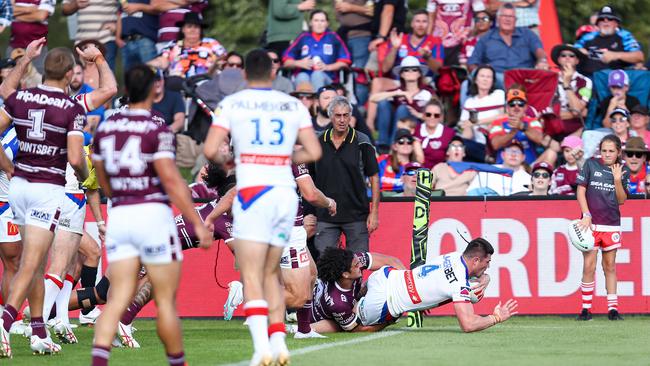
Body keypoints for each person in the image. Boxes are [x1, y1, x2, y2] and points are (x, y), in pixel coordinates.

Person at [203, 49, 322, 366]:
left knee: (254, 274)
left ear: (243, 74)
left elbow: (210, 149)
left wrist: (233, 161)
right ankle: (280, 340)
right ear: (273, 74)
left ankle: (261, 349)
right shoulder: (292, 104)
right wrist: (281, 158)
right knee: (272, 270)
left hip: (252, 193)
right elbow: (312, 149)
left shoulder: (231, 104)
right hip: (284, 196)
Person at [90, 64, 212, 365]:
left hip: (121, 215)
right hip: (152, 216)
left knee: (116, 299)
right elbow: (171, 181)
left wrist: (118, 194)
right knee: (166, 302)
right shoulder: (158, 127)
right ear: (155, 89)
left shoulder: (106, 127)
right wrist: (197, 223)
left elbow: (101, 175)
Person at [0, 47, 89, 358]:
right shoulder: (71, 107)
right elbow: (76, 158)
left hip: (19, 186)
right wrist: (86, 175)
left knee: (33, 262)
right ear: (68, 75)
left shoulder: (20, 98)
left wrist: (10, 168)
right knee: (32, 262)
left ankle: (39, 331)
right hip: (46, 188)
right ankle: (4, 324)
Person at [357, 237, 518, 332]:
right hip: (383, 303)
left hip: (383, 276)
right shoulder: (459, 283)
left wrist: (485, 277)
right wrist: (496, 318)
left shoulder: (454, 256)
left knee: (351, 297)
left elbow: (446, 279)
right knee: (351, 327)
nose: (488, 266)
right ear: (476, 260)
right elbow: (468, 324)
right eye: (487, 262)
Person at [311, 96, 379, 255]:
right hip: (325, 216)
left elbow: (374, 177)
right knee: (325, 267)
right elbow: (309, 179)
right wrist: (310, 212)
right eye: (337, 115)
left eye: (345, 115)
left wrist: (374, 212)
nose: (342, 120)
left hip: (356, 215)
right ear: (330, 116)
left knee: (358, 264)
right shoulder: (317, 141)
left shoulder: (362, 141)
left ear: (350, 116)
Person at [576, 134, 629, 321]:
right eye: (604, 150)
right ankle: (585, 309)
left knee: (610, 266)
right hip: (590, 224)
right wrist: (586, 214)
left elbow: (621, 200)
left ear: (618, 152)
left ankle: (613, 309)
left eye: (611, 151)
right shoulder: (590, 165)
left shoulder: (622, 170)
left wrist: (616, 180)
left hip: (612, 225)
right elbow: (581, 190)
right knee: (589, 266)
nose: (607, 154)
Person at [308, 248, 405, 333]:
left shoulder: (355, 260)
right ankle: (302, 328)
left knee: (376, 281)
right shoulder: (338, 303)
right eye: (356, 265)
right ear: (345, 274)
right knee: (341, 327)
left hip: (346, 299)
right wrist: (389, 320)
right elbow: (359, 329)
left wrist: (409, 281)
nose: (361, 265)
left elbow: (391, 261)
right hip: (319, 318)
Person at [468, 3, 547, 81]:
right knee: (467, 83)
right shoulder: (486, 38)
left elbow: (539, 50)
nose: (507, 19)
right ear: (498, 18)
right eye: (504, 16)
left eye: (511, 16)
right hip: (495, 79)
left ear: (515, 20)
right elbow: (472, 62)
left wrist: (542, 61)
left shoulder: (527, 34)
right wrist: (480, 74)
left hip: (523, 77)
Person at [370, 56, 435, 150]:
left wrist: (419, 115)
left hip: (416, 126)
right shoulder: (398, 91)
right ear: (401, 74)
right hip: (396, 124)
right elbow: (373, 99)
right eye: (406, 70)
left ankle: (394, 143)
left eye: (414, 69)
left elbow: (438, 115)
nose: (410, 72)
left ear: (419, 73)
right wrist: (398, 93)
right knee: (383, 103)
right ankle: (383, 144)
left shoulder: (428, 92)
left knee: (403, 109)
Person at [282, 10, 352, 90]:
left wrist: (327, 67)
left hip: (328, 79)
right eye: (316, 20)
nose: (319, 24)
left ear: (327, 23)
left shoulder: (333, 37)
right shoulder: (303, 37)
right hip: (305, 75)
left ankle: (318, 101)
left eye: (322, 21)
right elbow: (286, 62)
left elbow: (344, 62)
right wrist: (298, 63)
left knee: (317, 75)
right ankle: (303, 101)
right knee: (302, 76)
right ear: (311, 23)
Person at [149, 12, 227, 78]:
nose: (192, 30)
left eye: (196, 27)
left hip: (207, 82)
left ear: (200, 30)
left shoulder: (211, 43)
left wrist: (217, 64)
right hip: (178, 84)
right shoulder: (173, 45)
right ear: (183, 29)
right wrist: (149, 65)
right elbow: (163, 60)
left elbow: (224, 59)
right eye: (189, 27)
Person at [574, 5, 644, 76]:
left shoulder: (624, 36)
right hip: (589, 79)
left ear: (616, 23)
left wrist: (615, 55)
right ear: (597, 24)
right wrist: (580, 51)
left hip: (616, 81)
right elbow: (573, 50)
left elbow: (639, 56)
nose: (605, 20)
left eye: (610, 19)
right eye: (601, 19)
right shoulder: (588, 37)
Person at [488, 88, 551, 165]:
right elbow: (495, 144)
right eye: (512, 104)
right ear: (507, 108)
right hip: (503, 167)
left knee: (551, 153)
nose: (516, 107)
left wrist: (522, 126)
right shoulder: (498, 122)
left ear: (525, 107)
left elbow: (539, 139)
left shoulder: (533, 121)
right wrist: (513, 132)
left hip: (529, 167)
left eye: (520, 103)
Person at [458, 64, 505, 161]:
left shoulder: (498, 94)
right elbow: (468, 134)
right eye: (482, 76)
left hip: (497, 140)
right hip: (479, 144)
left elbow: (504, 116)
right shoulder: (470, 102)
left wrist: (477, 122)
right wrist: (464, 128)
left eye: (489, 77)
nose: (485, 79)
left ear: (493, 81)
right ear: (475, 80)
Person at [333, 0, 373, 106]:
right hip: (343, 35)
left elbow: (374, 11)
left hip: (361, 35)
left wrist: (351, 8)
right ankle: (342, 106)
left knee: (359, 74)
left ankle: (359, 108)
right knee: (342, 74)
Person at [382, 9, 444, 76]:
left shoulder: (436, 41)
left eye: (424, 21)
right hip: (400, 80)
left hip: (425, 81)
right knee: (377, 82)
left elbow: (439, 71)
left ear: (429, 24)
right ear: (412, 24)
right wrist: (394, 48)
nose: (421, 25)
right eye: (417, 21)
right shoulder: (400, 39)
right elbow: (385, 69)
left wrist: (427, 57)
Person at [62, 0, 120, 70]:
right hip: (82, 42)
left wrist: (119, 26)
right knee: (81, 78)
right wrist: (75, 4)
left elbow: (128, 5)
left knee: (106, 77)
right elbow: (64, 9)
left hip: (106, 40)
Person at [549, 44, 592, 139]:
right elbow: (547, 112)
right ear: (558, 60)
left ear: (577, 61)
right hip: (551, 129)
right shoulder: (550, 80)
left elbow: (576, 111)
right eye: (563, 55)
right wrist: (578, 113)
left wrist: (566, 84)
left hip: (575, 131)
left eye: (571, 56)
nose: (567, 58)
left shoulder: (585, 81)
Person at [426, 0, 486, 66]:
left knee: (460, 72)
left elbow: (481, 16)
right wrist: (428, 42)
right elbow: (430, 21)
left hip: (462, 42)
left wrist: (470, 38)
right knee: (439, 72)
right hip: (439, 41)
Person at [466, 139, 531, 196]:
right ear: (502, 155)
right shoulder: (487, 171)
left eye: (517, 152)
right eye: (509, 151)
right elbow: (471, 193)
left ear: (523, 157)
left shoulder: (528, 179)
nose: (513, 155)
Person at [7, 0, 54, 74]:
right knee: (9, 78)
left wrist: (16, 13)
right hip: (14, 46)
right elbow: (7, 10)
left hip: (38, 48)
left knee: (39, 79)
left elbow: (41, 16)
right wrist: (28, 9)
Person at [377, 129, 424, 194]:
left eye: (409, 142)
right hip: (382, 198)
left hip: (406, 199)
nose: (405, 144)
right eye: (401, 142)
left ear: (413, 146)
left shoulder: (416, 166)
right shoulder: (382, 160)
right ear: (394, 146)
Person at [117, 0, 160, 72]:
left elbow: (159, 9)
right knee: (130, 79)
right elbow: (119, 15)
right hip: (126, 42)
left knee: (150, 75)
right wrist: (117, 37)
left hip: (145, 40)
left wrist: (138, 7)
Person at [413, 99, 456, 169]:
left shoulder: (449, 133)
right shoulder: (415, 130)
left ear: (441, 117)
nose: (432, 117)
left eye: (436, 115)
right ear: (423, 115)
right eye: (428, 114)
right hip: (416, 172)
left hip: (440, 174)